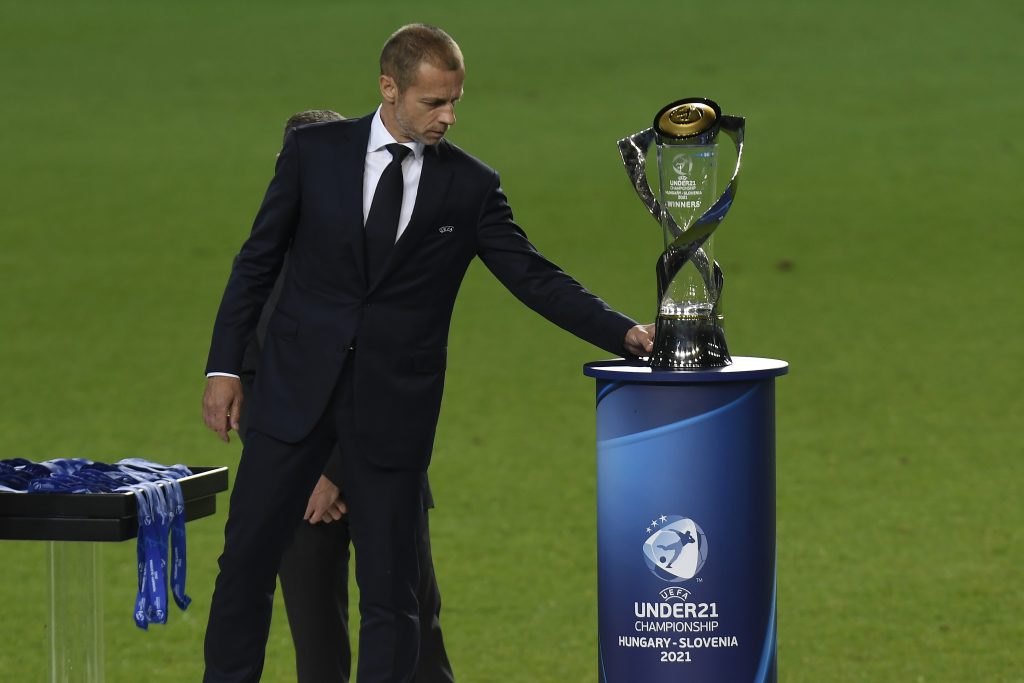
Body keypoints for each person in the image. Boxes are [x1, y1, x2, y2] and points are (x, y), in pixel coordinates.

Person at [201, 23, 655, 683]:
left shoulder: (469, 186)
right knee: (243, 570)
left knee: (393, 596)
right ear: (389, 89)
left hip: (393, 413)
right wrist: (222, 368)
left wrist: (622, 332)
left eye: (454, 103)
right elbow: (256, 263)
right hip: (291, 398)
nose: (446, 117)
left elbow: (533, 276)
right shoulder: (315, 153)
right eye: (431, 103)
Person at [235, 110, 456, 683]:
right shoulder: (263, 263)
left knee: (416, 639)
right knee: (317, 648)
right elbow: (250, 376)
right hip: (298, 490)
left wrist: (333, 468)